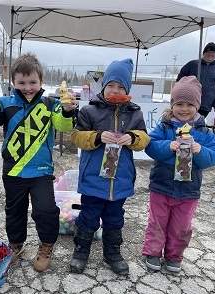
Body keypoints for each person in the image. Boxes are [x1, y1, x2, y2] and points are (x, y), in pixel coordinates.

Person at [0, 52, 77, 272]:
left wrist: (67, 110)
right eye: (22, 82)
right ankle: (16, 244)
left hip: (41, 172)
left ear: (41, 81)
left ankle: (46, 246)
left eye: (33, 82)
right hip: (13, 171)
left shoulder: (51, 104)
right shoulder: (4, 103)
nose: (27, 87)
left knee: (46, 211)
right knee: (14, 211)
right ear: (13, 82)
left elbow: (64, 126)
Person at [70, 58, 150, 275]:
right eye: (111, 86)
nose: (115, 91)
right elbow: (76, 136)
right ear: (103, 87)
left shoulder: (135, 113)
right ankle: (81, 250)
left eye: (121, 86)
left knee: (115, 217)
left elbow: (144, 138)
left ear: (128, 89)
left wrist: (132, 138)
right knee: (89, 214)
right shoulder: (89, 111)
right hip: (94, 179)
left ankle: (112, 252)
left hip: (120, 180)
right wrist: (97, 137)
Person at [142, 76, 215, 273]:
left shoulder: (203, 132)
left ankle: (174, 256)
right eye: (179, 104)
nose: (184, 109)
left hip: (188, 191)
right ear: (172, 104)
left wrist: (200, 151)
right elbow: (149, 146)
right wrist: (167, 146)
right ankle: (152, 252)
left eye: (189, 104)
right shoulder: (164, 126)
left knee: (181, 227)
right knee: (157, 222)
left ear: (197, 106)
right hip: (161, 186)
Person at [176, 42, 215, 117]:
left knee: (198, 124)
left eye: (213, 52)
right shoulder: (192, 64)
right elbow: (180, 80)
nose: (210, 54)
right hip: (189, 101)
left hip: (206, 104)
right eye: (208, 52)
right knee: (186, 124)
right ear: (203, 53)